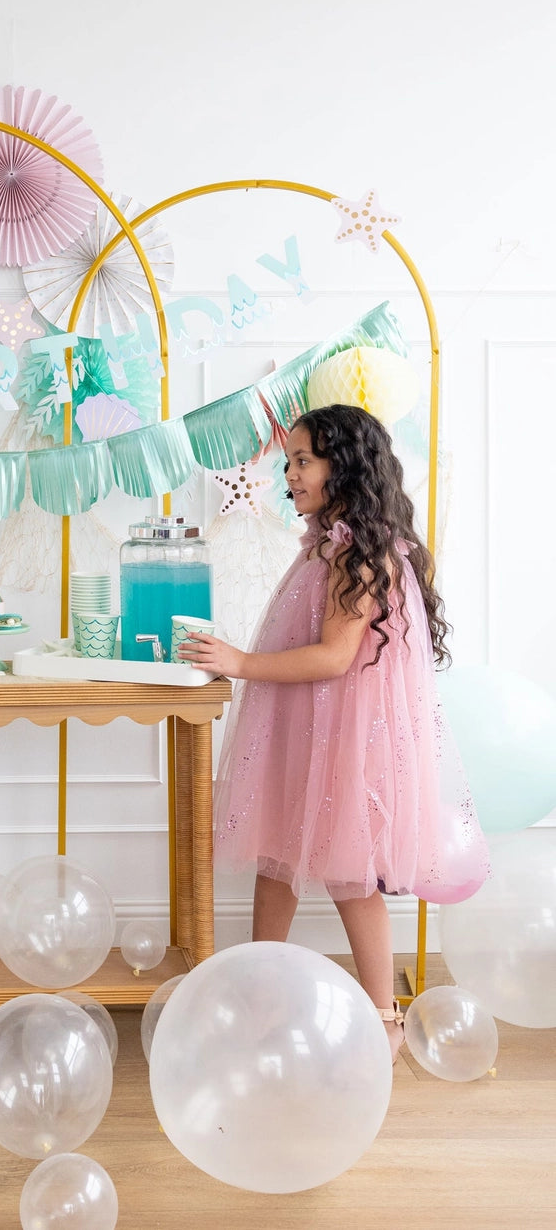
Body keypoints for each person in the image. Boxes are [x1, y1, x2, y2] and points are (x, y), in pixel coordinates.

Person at [182, 404, 487, 1060]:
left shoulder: (357, 554)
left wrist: (240, 663)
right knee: (277, 859)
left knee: (350, 873)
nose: (288, 474)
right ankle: (263, 999)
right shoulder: (329, 544)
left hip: (343, 738)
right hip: (304, 727)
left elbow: (334, 657)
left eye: (302, 461)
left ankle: (383, 1019)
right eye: (287, 461)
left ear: (343, 468)